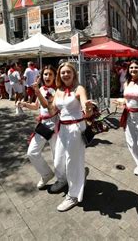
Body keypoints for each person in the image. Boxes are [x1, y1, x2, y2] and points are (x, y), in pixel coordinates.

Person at [45, 62, 92, 212]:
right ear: (59, 75)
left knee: (72, 162)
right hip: (62, 129)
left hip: (76, 129)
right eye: (62, 72)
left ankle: (73, 195)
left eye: (68, 72)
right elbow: (52, 110)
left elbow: (85, 106)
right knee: (58, 160)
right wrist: (39, 95)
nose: (65, 74)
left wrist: (88, 109)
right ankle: (63, 180)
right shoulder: (57, 91)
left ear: (73, 74)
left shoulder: (79, 89)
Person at [19, 65, 62, 189]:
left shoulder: (57, 91)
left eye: (50, 74)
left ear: (55, 76)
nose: (47, 76)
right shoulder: (42, 89)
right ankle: (46, 174)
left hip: (55, 126)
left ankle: (61, 179)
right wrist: (25, 104)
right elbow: (37, 106)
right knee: (32, 152)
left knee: (57, 156)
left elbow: (50, 108)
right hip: (43, 125)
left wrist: (36, 91)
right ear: (42, 76)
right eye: (45, 74)